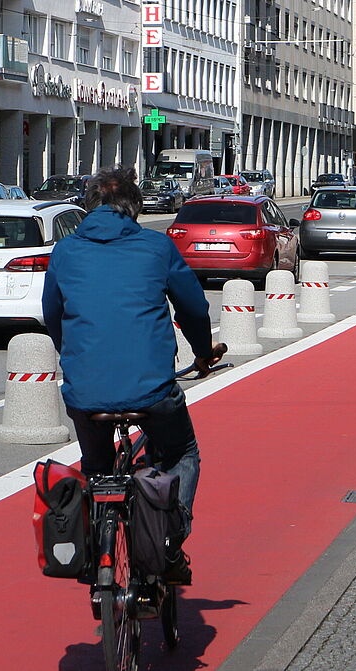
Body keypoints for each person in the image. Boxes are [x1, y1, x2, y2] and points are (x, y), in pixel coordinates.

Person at [42, 167, 224, 561]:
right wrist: (203, 351)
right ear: (135, 208)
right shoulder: (156, 247)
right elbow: (193, 307)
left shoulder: (65, 250)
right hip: (152, 390)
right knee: (181, 452)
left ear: (89, 207)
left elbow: (53, 315)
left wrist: (74, 357)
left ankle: (97, 548)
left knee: (96, 465)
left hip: (85, 390)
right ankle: (171, 536)